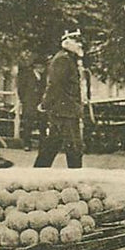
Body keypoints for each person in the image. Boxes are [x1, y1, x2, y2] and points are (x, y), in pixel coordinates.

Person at [33, 29, 85, 168]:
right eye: (76, 41)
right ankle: (76, 177)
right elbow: (55, 85)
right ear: (67, 43)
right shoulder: (63, 60)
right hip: (64, 111)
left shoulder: (69, 59)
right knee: (73, 147)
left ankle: (37, 173)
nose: (80, 44)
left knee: (53, 144)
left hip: (65, 110)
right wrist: (45, 104)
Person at [16, 57, 48, 150]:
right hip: (29, 102)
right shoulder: (27, 75)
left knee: (43, 123)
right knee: (28, 123)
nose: (43, 69)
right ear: (36, 67)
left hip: (40, 102)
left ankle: (43, 144)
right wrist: (24, 100)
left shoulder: (43, 77)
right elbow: (21, 89)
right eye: (41, 67)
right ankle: (27, 144)